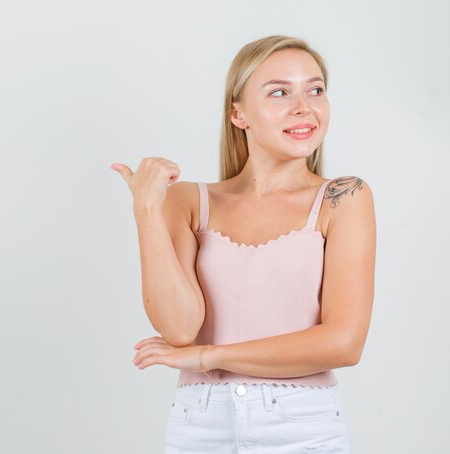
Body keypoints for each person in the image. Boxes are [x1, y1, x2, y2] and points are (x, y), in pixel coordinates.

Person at [111, 35, 376, 453]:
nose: (303, 106)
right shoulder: (187, 201)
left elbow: (343, 343)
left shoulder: (344, 198)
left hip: (302, 425)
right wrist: (146, 210)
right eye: (279, 92)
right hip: (199, 424)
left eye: (315, 89)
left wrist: (206, 358)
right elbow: (179, 328)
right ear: (239, 114)